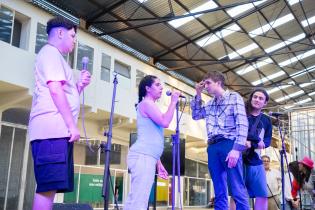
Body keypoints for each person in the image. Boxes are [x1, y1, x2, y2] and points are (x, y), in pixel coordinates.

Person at [28, 16, 91, 210]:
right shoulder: (50, 53)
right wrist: (72, 126)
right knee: (47, 189)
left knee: (50, 188)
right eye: (72, 36)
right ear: (61, 32)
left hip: (55, 132)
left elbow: (63, 94)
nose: (74, 41)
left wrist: (79, 86)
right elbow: (55, 90)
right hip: (52, 131)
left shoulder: (56, 58)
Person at [191, 71, 250, 210]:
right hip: (212, 146)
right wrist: (198, 94)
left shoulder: (234, 97)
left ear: (218, 83)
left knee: (236, 187)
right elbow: (196, 115)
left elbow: (242, 123)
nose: (205, 86)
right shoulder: (210, 103)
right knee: (219, 189)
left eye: (208, 83)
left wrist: (236, 149)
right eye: (204, 83)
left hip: (229, 144)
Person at [123, 75, 181, 210]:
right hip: (142, 156)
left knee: (138, 199)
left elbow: (151, 137)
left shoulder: (150, 105)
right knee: (138, 200)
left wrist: (158, 162)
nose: (161, 88)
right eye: (157, 85)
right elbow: (165, 122)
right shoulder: (146, 104)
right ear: (147, 88)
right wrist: (173, 102)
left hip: (147, 156)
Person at [230, 88, 272, 210]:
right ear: (251, 98)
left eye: (260, 98)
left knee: (262, 194)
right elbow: (238, 131)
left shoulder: (266, 120)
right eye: (255, 97)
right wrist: (257, 140)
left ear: (265, 103)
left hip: (256, 160)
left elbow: (267, 141)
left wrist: (251, 144)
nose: (257, 100)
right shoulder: (241, 113)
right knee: (236, 194)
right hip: (238, 158)